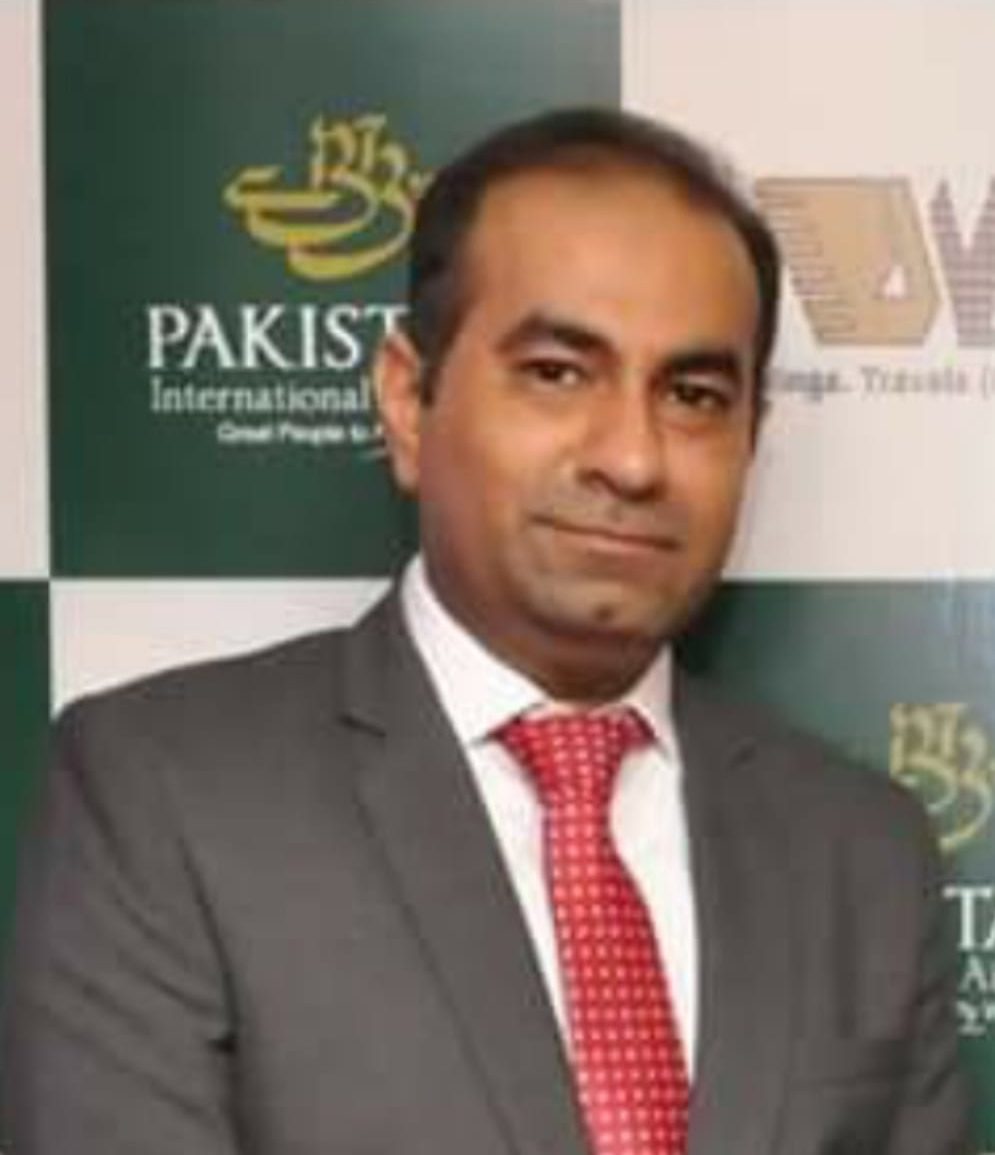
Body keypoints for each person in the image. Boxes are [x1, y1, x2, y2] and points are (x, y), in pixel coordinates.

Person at [0, 107, 970, 1155]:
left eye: (692, 394)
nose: (632, 458)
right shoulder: (166, 792)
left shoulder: (860, 850)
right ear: (408, 400)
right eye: (556, 372)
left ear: (749, 438)